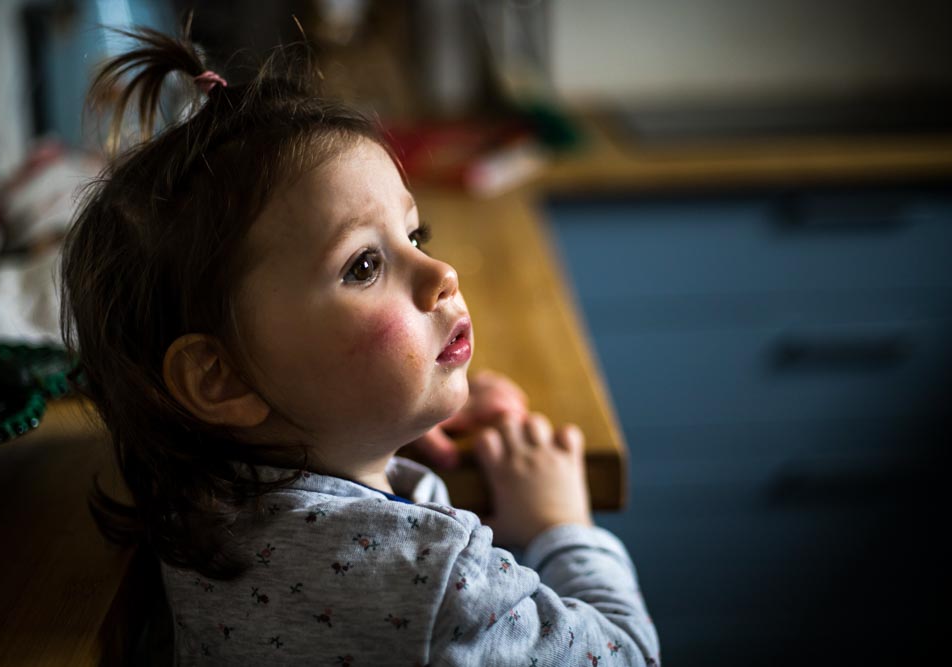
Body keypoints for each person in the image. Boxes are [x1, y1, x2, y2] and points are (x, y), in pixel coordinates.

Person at [60, 24, 660, 667]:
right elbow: (626, 657)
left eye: (415, 235)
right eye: (364, 266)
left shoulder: (196, 497)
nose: (441, 274)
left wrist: (387, 429)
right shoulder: (439, 581)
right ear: (220, 378)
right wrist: (558, 528)